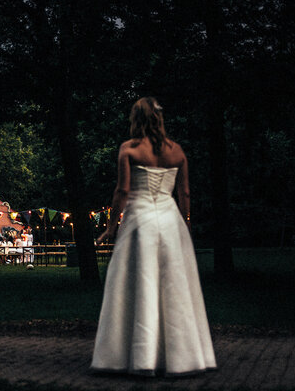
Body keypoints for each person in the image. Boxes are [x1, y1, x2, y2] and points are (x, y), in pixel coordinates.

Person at [91, 97, 216, 376]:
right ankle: (181, 358)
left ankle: (140, 357)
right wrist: (185, 225)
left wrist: (111, 227)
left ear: (136, 118)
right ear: (159, 119)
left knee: (139, 283)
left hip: (140, 221)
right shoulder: (177, 151)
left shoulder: (129, 148)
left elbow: (122, 191)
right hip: (170, 221)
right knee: (174, 286)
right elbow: (184, 193)